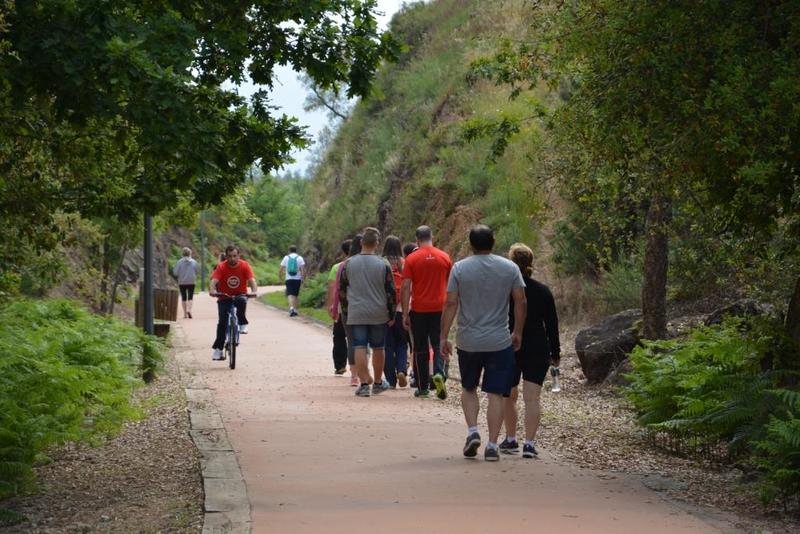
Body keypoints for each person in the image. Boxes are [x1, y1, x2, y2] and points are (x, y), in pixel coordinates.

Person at [441, 225, 526, 461]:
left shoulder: (460, 268)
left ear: (470, 244)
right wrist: (517, 331)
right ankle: (492, 445)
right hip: (499, 340)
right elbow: (521, 300)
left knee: (469, 387)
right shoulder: (509, 268)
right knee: (496, 393)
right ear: (494, 241)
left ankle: (472, 431)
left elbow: (450, 304)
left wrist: (443, 336)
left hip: (468, 340)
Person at [499, 243, 561, 459]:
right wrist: (556, 353)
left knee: (509, 396)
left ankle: (510, 439)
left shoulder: (505, 291)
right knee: (532, 399)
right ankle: (530, 444)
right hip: (538, 347)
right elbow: (552, 325)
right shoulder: (543, 291)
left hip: (509, 345)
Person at [339, 227, 396, 397]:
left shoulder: (348, 264)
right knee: (379, 347)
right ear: (377, 243)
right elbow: (391, 291)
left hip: (356, 312)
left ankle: (364, 384)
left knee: (359, 346)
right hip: (378, 312)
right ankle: (378, 382)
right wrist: (392, 314)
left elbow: (342, 291)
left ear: (361, 242)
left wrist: (346, 311)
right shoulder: (383, 264)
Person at [401, 225, 452, 399]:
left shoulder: (412, 259)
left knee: (420, 348)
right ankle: (439, 373)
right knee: (439, 343)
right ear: (433, 237)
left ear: (417, 240)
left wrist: (405, 314)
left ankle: (422, 387)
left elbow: (406, 286)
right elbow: (451, 284)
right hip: (440, 308)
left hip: (419, 309)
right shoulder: (444, 257)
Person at [209, 245, 258, 360]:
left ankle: (242, 323)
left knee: (242, 300)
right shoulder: (221, 267)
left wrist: (254, 291)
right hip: (224, 297)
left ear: (238, 256)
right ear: (226, 256)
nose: (232, 259)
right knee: (222, 323)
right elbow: (214, 281)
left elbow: (252, 281)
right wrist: (212, 290)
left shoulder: (245, 265)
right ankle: (218, 349)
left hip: (239, 294)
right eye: (230, 256)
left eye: (235, 256)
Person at [382, 235, 408, 388]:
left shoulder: (381, 262)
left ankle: (391, 379)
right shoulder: (403, 262)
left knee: (387, 345)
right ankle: (402, 370)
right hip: (401, 309)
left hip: (384, 311)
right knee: (402, 343)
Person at [326, 239, 351, 375]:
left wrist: (330, 305)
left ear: (343, 252)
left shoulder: (337, 267)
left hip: (342, 307)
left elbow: (332, 287)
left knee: (339, 336)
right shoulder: (358, 265)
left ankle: (340, 365)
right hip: (357, 307)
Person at [279, 245, 306, 317]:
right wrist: (303, 278)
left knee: (290, 294)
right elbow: (303, 269)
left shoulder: (286, 258)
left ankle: (291, 308)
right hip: (297, 279)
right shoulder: (300, 258)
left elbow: (281, 268)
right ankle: (295, 310)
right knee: (295, 295)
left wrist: (280, 277)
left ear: (289, 250)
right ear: (296, 250)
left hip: (288, 278)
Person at [173, 247, 199, 319]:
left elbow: (175, 272)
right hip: (191, 281)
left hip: (182, 282)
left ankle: (185, 314)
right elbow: (197, 271)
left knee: (183, 297)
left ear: (182, 254)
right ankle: (189, 310)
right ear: (190, 253)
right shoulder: (194, 262)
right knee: (190, 296)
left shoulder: (179, 262)